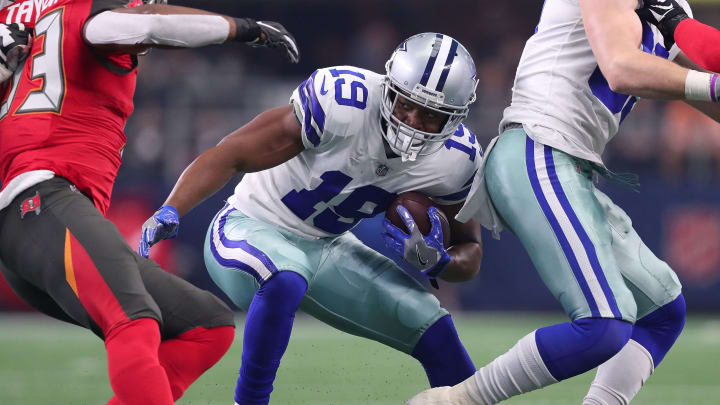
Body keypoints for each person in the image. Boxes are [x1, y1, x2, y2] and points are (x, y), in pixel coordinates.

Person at [139, 32, 484, 405]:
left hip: (327, 248)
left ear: (456, 118)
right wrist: (172, 206)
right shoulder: (342, 101)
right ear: (388, 87)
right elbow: (233, 153)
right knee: (286, 276)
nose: (412, 121)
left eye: (431, 115)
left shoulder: (456, 159)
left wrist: (442, 260)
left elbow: (470, 248)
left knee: (433, 326)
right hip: (251, 225)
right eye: (404, 105)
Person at [407, 0, 720, 404]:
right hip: (539, 147)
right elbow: (621, 69)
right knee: (603, 322)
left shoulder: (672, 9)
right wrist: (712, 83)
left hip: (572, 165)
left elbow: (700, 86)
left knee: (662, 312)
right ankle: (452, 401)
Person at [0, 0, 299, 404]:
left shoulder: (18, 20)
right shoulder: (88, 18)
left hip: (41, 217)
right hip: (42, 201)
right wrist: (246, 28)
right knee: (133, 320)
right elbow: (151, 23)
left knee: (207, 325)